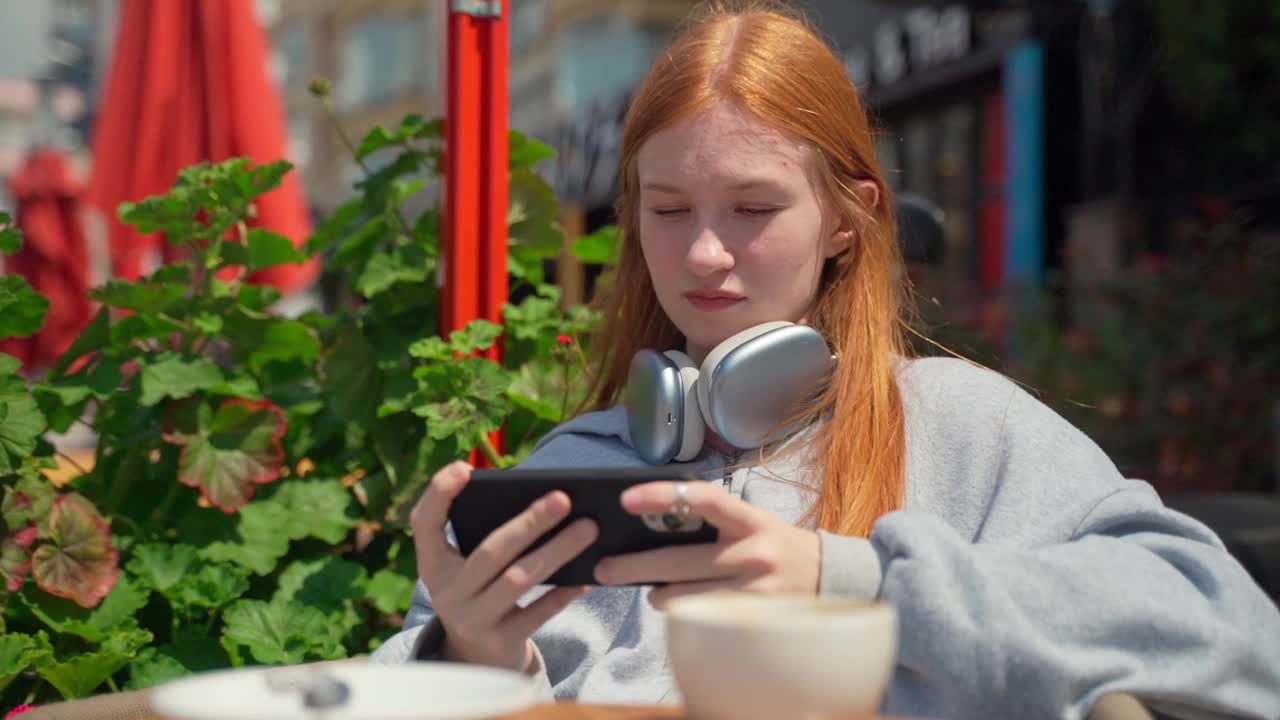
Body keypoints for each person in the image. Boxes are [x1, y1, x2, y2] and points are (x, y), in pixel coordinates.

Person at [372, 5, 1280, 718]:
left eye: (754, 208)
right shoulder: (574, 469)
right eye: (671, 209)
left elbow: (1234, 635)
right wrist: (467, 654)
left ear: (846, 220)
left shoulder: (963, 427)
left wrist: (846, 577)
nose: (703, 256)